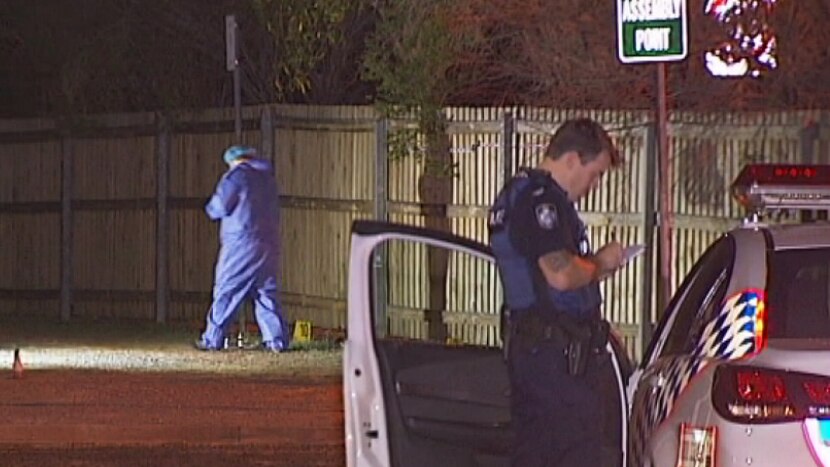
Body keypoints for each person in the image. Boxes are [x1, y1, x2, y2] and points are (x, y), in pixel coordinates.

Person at [489, 118, 623, 466]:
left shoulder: (525, 194)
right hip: (553, 363)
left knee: (542, 452)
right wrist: (600, 264)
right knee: (566, 452)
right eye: (595, 174)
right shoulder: (540, 202)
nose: (594, 185)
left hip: (546, 355)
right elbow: (560, 275)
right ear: (572, 159)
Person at [195, 145, 290, 353]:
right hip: (269, 242)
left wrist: (210, 207)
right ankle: (277, 341)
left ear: (233, 161)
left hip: (242, 242)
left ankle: (213, 338)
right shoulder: (267, 179)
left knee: (227, 288)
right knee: (266, 291)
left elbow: (219, 207)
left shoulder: (237, 177)